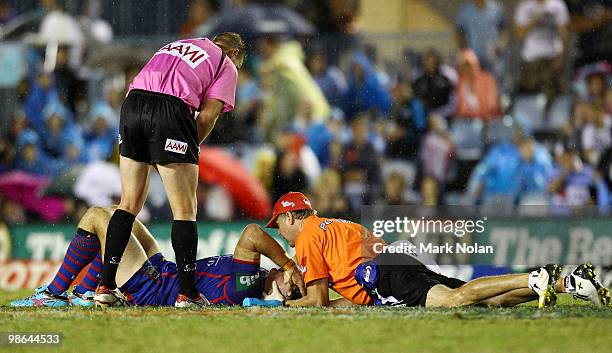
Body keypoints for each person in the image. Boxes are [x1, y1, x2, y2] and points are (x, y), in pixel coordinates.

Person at [96, 32, 246, 308]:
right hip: (171, 111)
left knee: (128, 203)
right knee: (184, 210)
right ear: (236, 53)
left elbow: (138, 83)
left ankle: (105, 285)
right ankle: (187, 293)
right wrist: (190, 146)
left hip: (133, 105)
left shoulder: (177, 44)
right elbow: (209, 114)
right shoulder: (225, 62)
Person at [266, 192, 610, 308]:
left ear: (291, 214)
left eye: (278, 223)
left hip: (389, 275)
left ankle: (538, 276)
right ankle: (567, 282)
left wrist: (282, 305)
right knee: (479, 300)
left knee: (453, 300)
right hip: (395, 263)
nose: (279, 231)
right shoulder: (335, 224)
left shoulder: (308, 235)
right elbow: (368, 258)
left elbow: (318, 301)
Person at [11, 206, 305, 307]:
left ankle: (55, 293)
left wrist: (289, 265)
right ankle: (86, 292)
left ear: (281, 291)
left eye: (292, 286)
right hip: (162, 270)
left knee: (97, 218)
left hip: (151, 287)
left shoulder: (249, 285)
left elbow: (252, 233)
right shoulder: (258, 275)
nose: (290, 279)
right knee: (118, 213)